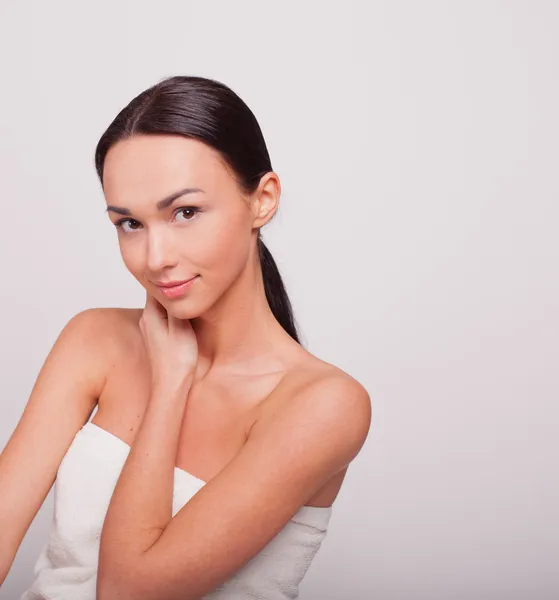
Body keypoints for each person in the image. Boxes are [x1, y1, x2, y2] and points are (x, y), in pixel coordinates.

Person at [0, 75, 372, 599]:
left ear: (262, 200)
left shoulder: (323, 405)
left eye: (186, 213)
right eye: (129, 224)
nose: (155, 258)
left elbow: (127, 592)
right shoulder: (93, 340)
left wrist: (171, 384)